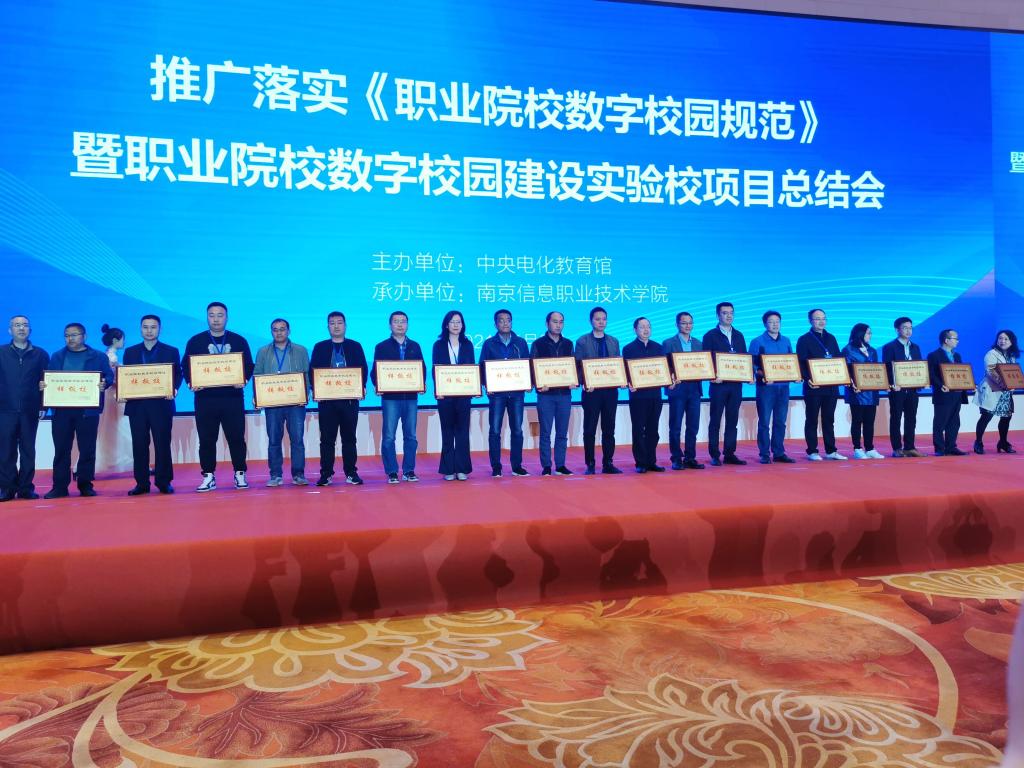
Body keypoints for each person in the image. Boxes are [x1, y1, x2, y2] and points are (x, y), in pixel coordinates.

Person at [181, 302, 255, 492]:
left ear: (227, 317)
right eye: (212, 315)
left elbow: (249, 365)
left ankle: (240, 473)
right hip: (205, 399)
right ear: (207, 317)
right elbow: (185, 366)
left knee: (236, 438)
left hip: (232, 398)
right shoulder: (195, 341)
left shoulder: (239, 340)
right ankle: (208, 476)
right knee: (206, 439)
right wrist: (191, 382)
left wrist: (244, 380)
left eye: (220, 315)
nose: (216, 319)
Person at [43, 323, 114, 498]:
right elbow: (49, 378)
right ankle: (59, 487)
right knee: (61, 449)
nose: (70, 338)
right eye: (67, 335)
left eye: (74, 334)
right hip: (61, 410)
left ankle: (85, 485)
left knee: (87, 449)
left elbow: (109, 376)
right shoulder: (57, 356)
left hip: (87, 410)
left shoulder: (98, 356)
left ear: (84, 336)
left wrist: (104, 383)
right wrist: (44, 384)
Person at [122, 314, 182, 495]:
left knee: (162, 444)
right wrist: (123, 391)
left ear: (160, 329)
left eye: (153, 327)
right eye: (145, 327)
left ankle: (164, 481)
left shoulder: (171, 351)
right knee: (139, 445)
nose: (149, 331)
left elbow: (177, 374)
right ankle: (141, 483)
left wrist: (174, 389)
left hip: (161, 405)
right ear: (140, 329)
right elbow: (127, 376)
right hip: (137, 406)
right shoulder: (130, 352)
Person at [308, 311, 368, 486]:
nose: (336, 326)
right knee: (327, 440)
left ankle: (351, 472)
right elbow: (313, 371)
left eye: (339, 322)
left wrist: (361, 386)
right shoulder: (320, 347)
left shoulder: (355, 346)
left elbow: (363, 369)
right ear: (327, 326)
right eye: (332, 323)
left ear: (345, 326)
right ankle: (326, 474)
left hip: (349, 401)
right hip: (327, 402)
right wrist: (315, 390)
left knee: (349, 438)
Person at [254, 318, 310, 487]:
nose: (279, 332)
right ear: (271, 332)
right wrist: (258, 395)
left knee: (297, 440)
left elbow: (306, 374)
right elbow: (257, 374)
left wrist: (305, 394)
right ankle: (275, 475)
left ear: (289, 331)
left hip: (296, 404)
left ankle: (298, 474)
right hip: (273, 404)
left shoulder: (301, 350)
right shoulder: (263, 352)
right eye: (275, 329)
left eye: (282, 329)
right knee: (274, 440)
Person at [370, 310, 424, 484]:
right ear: (390, 325)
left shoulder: (415, 346)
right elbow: (375, 371)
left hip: (411, 398)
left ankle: (409, 470)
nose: (400, 324)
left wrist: (421, 383)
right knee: (389, 436)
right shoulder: (381, 346)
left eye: (403, 321)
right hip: (391, 398)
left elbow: (421, 369)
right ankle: (392, 471)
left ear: (407, 324)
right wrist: (378, 385)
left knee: (411, 436)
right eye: (396, 321)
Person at [0, 315, 49, 501]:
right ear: (10, 330)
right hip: (4, 409)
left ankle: (26, 488)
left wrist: (43, 404)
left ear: (30, 330)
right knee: (5, 451)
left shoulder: (41, 354)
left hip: (30, 409)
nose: (21, 328)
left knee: (28, 450)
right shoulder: (1, 352)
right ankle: (6, 488)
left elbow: (47, 382)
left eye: (25, 325)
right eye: (17, 325)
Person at [480, 309, 530, 477]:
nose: (505, 323)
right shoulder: (489, 344)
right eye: (501, 320)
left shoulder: (520, 343)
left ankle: (517, 466)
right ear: (495, 324)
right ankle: (496, 467)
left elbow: (527, 365)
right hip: (497, 395)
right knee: (495, 430)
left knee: (517, 430)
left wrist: (528, 381)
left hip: (517, 394)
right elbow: (482, 367)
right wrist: (486, 385)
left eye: (508, 320)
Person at [575, 306, 622, 475]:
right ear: (591, 321)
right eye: (597, 319)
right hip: (591, 392)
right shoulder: (582, 341)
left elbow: (617, 366)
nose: (601, 322)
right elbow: (578, 366)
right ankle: (590, 463)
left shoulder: (614, 341)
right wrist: (585, 382)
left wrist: (621, 379)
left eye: (604, 319)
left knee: (609, 429)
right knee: (590, 429)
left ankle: (608, 462)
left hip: (610, 392)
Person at [796, 308, 847, 461]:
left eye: (823, 318)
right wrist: (808, 378)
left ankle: (831, 450)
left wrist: (843, 376)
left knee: (829, 419)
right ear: (810, 321)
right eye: (817, 319)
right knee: (812, 419)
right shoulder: (804, 339)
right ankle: (812, 451)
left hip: (831, 387)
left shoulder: (831, 338)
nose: (821, 321)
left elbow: (838, 359)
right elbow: (800, 363)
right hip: (814, 387)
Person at [702, 302, 747, 466]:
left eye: (731, 313)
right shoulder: (710, 336)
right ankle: (714, 454)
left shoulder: (739, 335)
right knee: (715, 420)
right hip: (718, 385)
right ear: (718, 315)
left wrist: (747, 374)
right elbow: (706, 360)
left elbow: (744, 358)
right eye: (725, 313)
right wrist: (711, 376)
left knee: (732, 420)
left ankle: (729, 453)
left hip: (735, 385)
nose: (729, 316)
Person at [432, 310, 475, 480]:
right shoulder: (439, 345)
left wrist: (473, 388)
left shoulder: (468, 344)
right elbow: (435, 369)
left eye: (459, 322)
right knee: (447, 431)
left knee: (463, 432)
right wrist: (438, 390)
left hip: (464, 395)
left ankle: (462, 468)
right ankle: (448, 469)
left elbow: (472, 368)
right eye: (452, 322)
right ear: (446, 325)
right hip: (446, 395)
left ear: (463, 325)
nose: (456, 325)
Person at [748, 310, 796, 465]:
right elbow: (751, 365)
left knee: (780, 421)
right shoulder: (757, 342)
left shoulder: (786, 341)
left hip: (783, 387)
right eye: (771, 322)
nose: (775, 324)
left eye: (777, 322)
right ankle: (764, 453)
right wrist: (763, 374)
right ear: (765, 324)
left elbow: (791, 364)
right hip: (766, 388)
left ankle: (779, 452)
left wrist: (795, 375)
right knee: (764, 422)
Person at [531, 311, 574, 476]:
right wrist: (538, 385)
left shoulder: (568, 344)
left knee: (562, 433)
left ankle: (561, 465)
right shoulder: (538, 344)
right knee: (545, 433)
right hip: (546, 396)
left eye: (561, 322)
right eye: (555, 321)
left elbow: (573, 367)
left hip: (564, 395)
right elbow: (533, 368)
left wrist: (573, 380)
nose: (558, 325)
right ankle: (546, 466)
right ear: (547, 323)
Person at [622, 317, 667, 473]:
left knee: (653, 430)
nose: (646, 329)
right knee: (638, 430)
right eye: (642, 327)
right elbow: (625, 371)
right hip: (638, 397)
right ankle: (640, 462)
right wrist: (628, 382)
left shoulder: (659, 347)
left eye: (648, 326)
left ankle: (651, 461)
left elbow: (663, 370)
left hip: (655, 395)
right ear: (635, 330)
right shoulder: (628, 349)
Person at [662, 311, 704, 470]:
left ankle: (690, 457)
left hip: (694, 389)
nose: (688, 326)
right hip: (677, 389)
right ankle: (676, 458)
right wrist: (670, 379)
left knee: (693, 426)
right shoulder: (668, 343)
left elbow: (703, 365)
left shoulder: (698, 343)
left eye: (690, 323)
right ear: (677, 324)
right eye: (684, 323)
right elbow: (664, 366)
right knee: (676, 426)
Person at [881, 317, 925, 458]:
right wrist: (891, 384)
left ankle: (910, 447)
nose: (908, 330)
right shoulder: (889, 347)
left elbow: (919, 367)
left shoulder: (915, 347)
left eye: (910, 328)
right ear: (897, 330)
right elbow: (887, 368)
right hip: (897, 390)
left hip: (912, 389)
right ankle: (897, 448)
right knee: (896, 418)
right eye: (905, 328)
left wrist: (922, 381)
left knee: (911, 418)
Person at [843, 323, 885, 460]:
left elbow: (877, 370)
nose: (870, 335)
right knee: (857, 421)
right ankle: (857, 448)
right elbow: (845, 370)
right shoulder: (848, 350)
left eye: (870, 333)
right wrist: (852, 384)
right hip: (857, 392)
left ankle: (870, 448)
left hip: (871, 392)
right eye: (868, 333)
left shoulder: (872, 350)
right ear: (860, 334)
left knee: (869, 421)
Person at [973, 329, 1019, 454]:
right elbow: (991, 372)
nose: (1002, 341)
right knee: (986, 416)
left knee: (1006, 417)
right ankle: (978, 442)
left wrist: (1014, 383)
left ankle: (1003, 442)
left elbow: (1013, 373)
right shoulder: (991, 354)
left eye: (1006, 339)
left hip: (1006, 392)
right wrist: (1005, 384)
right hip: (992, 390)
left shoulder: (1011, 356)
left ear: (1011, 341)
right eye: (1000, 338)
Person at [927, 328, 969, 456]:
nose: (957, 341)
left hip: (957, 394)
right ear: (946, 340)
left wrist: (968, 384)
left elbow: (961, 373)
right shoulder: (934, 355)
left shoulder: (957, 356)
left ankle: (951, 447)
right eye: (955, 339)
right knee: (940, 422)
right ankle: (939, 448)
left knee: (954, 422)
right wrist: (940, 385)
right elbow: (931, 374)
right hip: (943, 394)